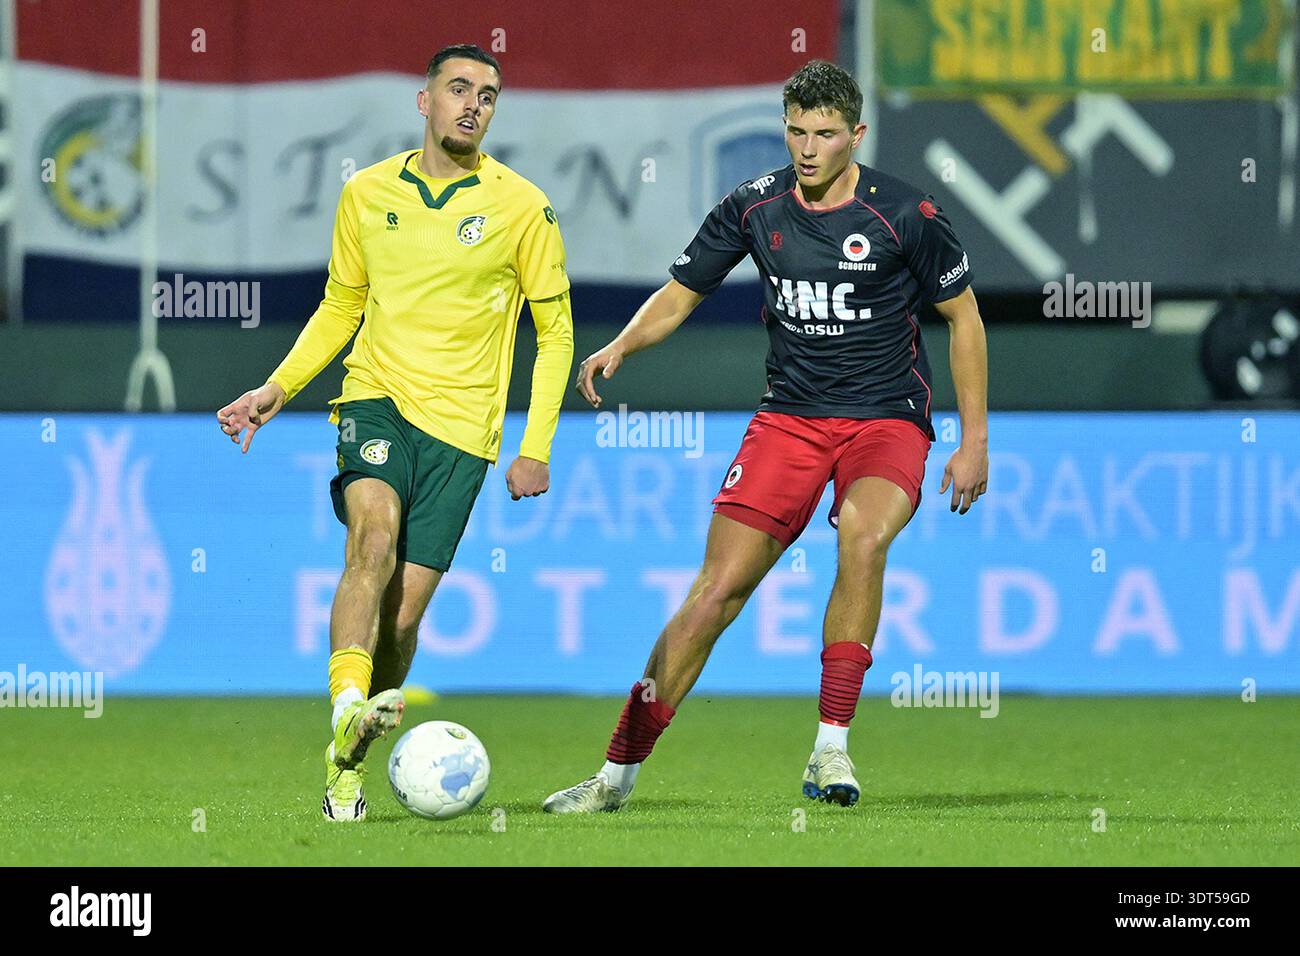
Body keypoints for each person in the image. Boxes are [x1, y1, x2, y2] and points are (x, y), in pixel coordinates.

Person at [543, 59, 987, 813]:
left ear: (857, 135)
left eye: (824, 134)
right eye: (796, 131)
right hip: (789, 420)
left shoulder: (906, 214)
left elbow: (964, 319)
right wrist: (624, 344)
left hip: (886, 420)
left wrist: (973, 440)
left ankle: (830, 749)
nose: (807, 148)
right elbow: (681, 294)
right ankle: (614, 776)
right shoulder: (755, 207)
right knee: (715, 594)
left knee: (863, 536)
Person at [217, 44, 574, 821]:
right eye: (458, 89)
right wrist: (279, 386)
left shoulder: (524, 208)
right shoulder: (366, 192)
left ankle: (347, 761)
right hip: (374, 402)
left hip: (462, 434)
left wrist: (536, 444)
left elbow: (555, 334)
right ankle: (347, 707)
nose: (473, 104)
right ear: (425, 101)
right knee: (369, 541)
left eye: (487, 93)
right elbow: (342, 306)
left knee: (402, 622)